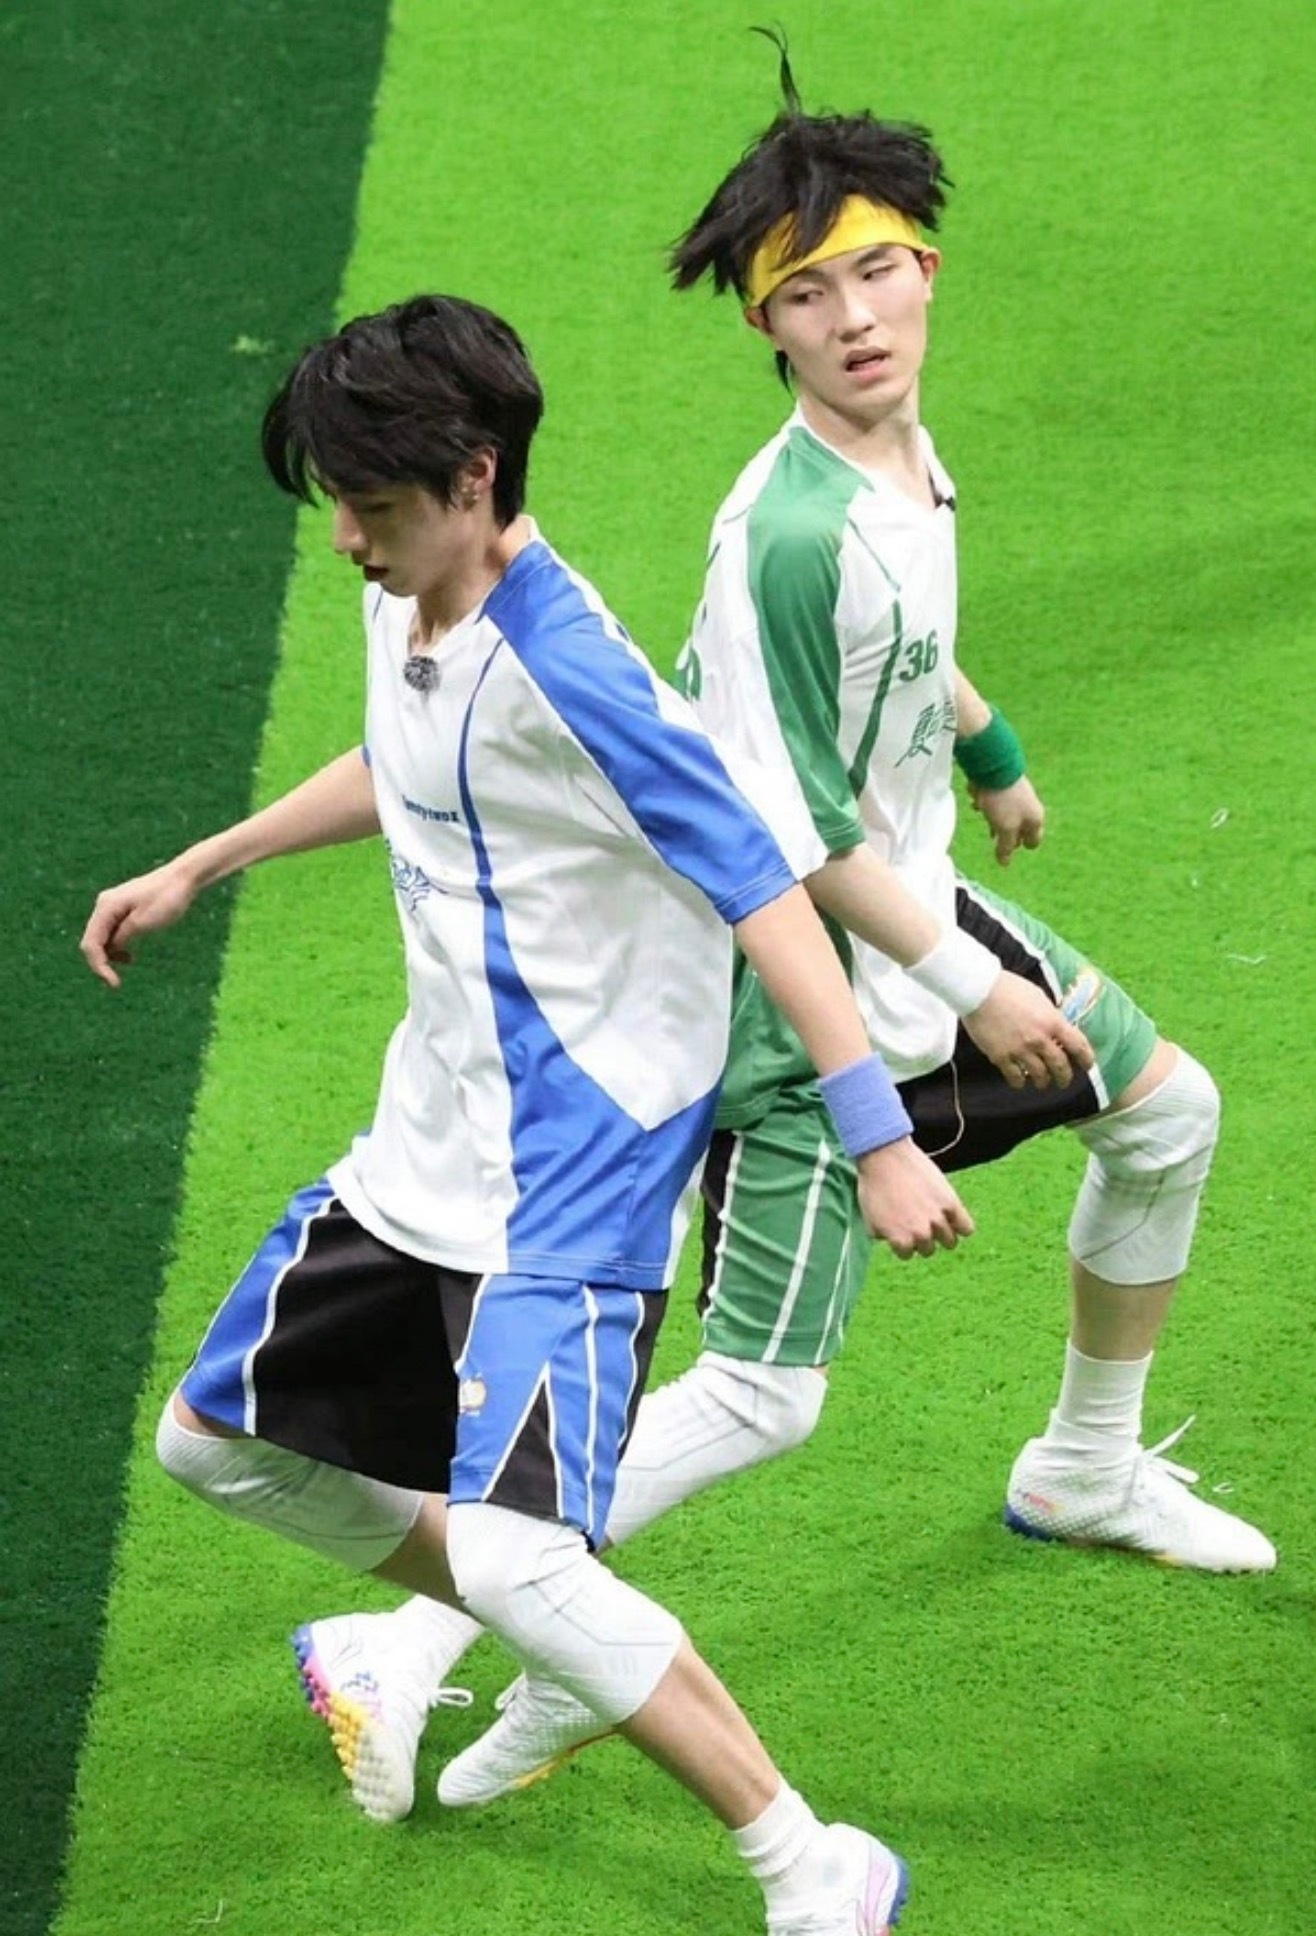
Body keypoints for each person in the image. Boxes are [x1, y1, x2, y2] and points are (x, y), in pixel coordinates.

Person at [312, 59, 1277, 1830]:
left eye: (877, 271)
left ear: (928, 269)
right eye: (807, 294)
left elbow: (895, 653)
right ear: (765, 325)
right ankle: (414, 1629)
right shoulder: (786, 532)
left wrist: (986, 745)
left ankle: (1082, 1467)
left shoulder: (895, 463)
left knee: (1170, 1117)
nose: (855, 319)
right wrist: (977, 987)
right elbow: (789, 839)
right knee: (765, 1393)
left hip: (915, 908)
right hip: (792, 986)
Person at [79, 293, 991, 1933]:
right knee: (214, 1447)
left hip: (579, 1171)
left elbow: (768, 892)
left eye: (373, 503)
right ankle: (563, 1627)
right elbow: (405, 759)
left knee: (511, 1558)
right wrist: (205, 862)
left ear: (476, 479)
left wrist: (877, 1134)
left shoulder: (579, 679)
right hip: (427, 1144)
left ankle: (813, 1866)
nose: (345, 537)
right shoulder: (407, 596)